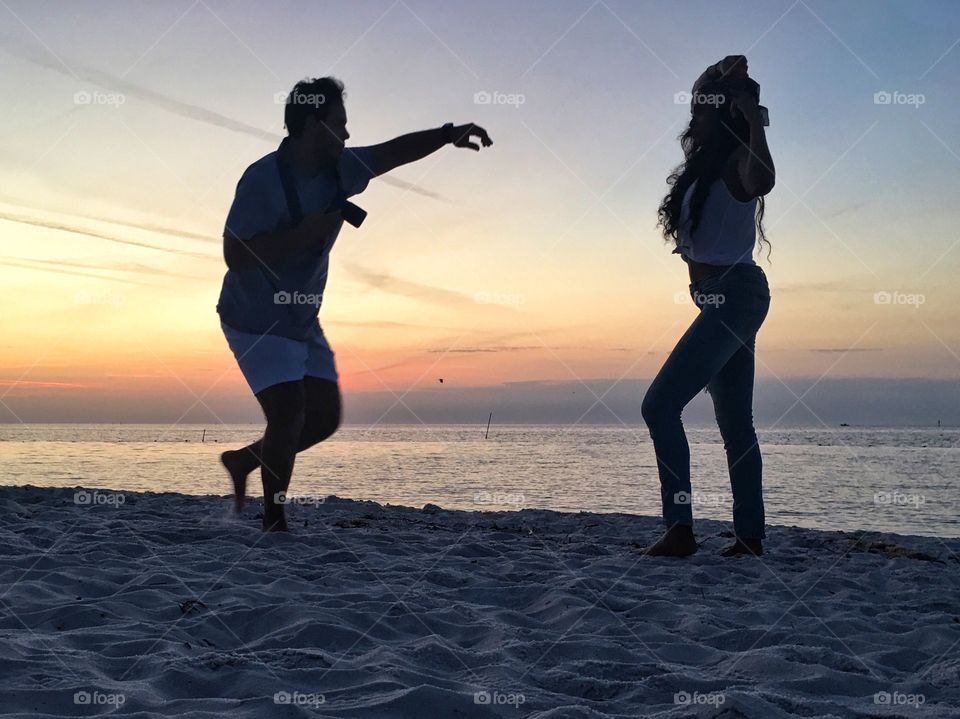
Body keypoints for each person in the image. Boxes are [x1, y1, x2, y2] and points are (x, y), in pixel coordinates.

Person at [217, 76, 492, 531]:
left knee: (323, 418)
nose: (347, 135)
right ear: (312, 124)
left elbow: (391, 153)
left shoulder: (341, 168)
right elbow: (233, 254)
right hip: (254, 320)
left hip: (302, 317)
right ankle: (274, 520)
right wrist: (300, 236)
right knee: (288, 414)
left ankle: (245, 460)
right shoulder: (261, 179)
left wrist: (447, 135)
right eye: (339, 125)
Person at [641, 56, 775, 557]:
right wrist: (718, 75)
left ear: (721, 120)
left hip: (735, 295)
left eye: (701, 113)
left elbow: (762, 180)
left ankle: (679, 530)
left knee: (659, 405)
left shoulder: (740, 162)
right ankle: (750, 537)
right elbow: (709, 85)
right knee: (736, 423)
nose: (692, 120)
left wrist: (754, 119)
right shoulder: (703, 170)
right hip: (725, 297)